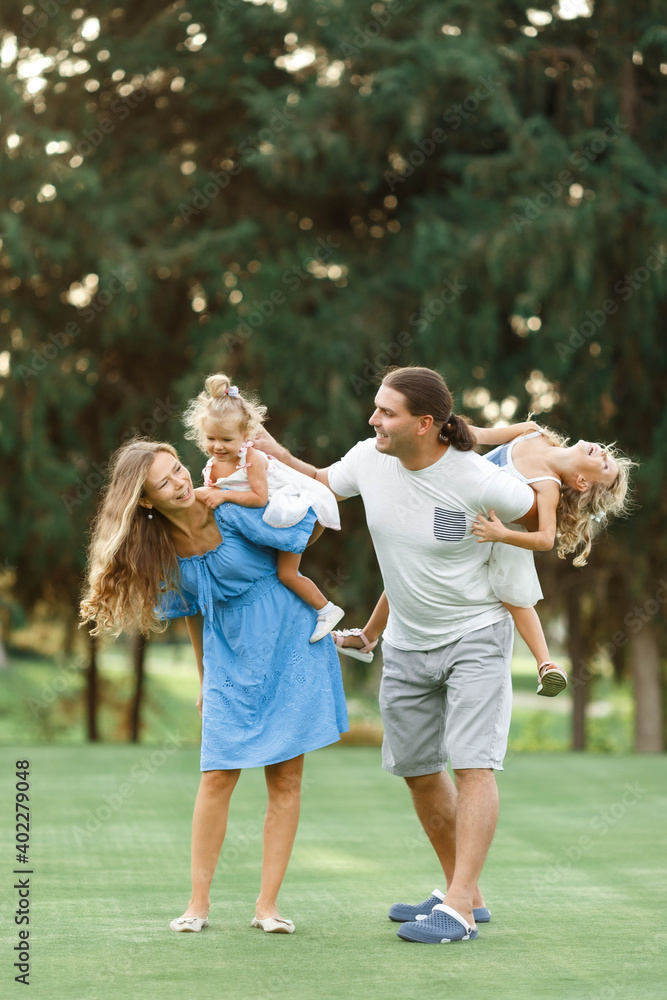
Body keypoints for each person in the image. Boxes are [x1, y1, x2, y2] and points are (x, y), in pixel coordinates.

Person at [256, 365, 545, 944]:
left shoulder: (474, 477)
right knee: (416, 770)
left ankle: (459, 909)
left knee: (472, 765)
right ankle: (468, 891)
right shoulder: (370, 458)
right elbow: (320, 480)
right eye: (376, 409)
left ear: (426, 423)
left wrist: (533, 464)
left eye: (386, 412)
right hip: (406, 642)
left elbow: (538, 503)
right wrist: (265, 447)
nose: (373, 420)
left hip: (476, 633)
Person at [79, 439, 348, 935]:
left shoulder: (226, 506)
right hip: (232, 658)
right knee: (217, 776)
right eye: (166, 481)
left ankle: (267, 906)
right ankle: (197, 904)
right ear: (145, 500)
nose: (181, 482)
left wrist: (282, 501)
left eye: (179, 469)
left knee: (285, 780)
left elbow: (298, 534)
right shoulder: (158, 549)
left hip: (291, 642)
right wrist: (207, 681)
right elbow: (193, 617)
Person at [335, 420, 634, 697]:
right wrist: (447, 428)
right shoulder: (533, 432)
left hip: (496, 532)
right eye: (607, 455)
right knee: (411, 567)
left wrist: (501, 534)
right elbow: (481, 435)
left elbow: (545, 538)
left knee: (515, 597)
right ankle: (367, 638)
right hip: (458, 511)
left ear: (581, 482)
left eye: (604, 465)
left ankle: (546, 665)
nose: (603, 453)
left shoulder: (548, 485)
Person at [183, 373, 344, 643]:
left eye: (226, 439)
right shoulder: (211, 466)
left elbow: (259, 498)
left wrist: (223, 496)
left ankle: (327, 609)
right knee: (270, 573)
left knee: (287, 573)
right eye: (211, 439)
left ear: (245, 435)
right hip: (259, 526)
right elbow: (209, 496)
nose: (217, 446)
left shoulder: (252, 459)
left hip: (287, 514)